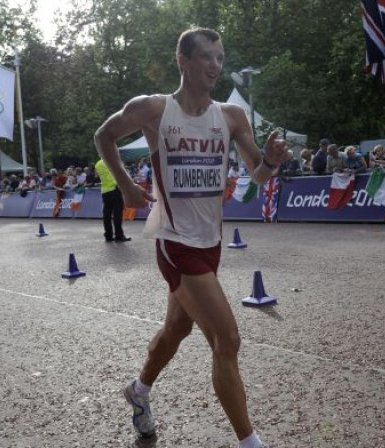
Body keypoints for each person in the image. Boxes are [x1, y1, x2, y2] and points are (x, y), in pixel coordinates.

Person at [94, 26, 288, 448]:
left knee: (176, 330)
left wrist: (270, 162)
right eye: (207, 57)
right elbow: (104, 135)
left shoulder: (232, 117)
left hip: (210, 242)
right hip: (175, 240)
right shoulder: (154, 109)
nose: (216, 66)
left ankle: (139, 390)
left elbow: (257, 173)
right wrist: (126, 185)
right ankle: (251, 442)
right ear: (183, 61)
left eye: (220, 58)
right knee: (227, 339)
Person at [94, 158, 131, 242]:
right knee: (117, 214)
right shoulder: (112, 159)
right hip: (115, 189)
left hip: (104, 190)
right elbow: (121, 174)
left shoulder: (97, 164)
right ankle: (119, 236)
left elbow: (97, 176)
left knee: (107, 215)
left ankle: (108, 236)